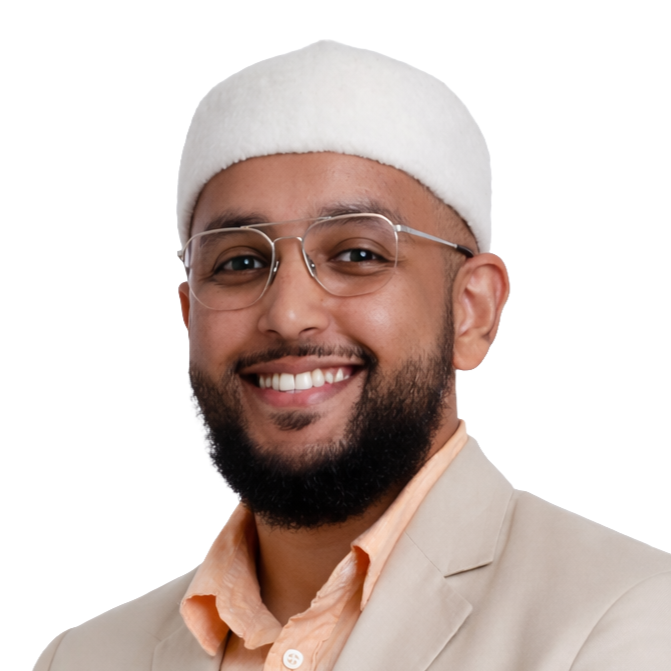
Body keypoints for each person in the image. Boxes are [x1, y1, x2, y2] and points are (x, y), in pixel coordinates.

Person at [34, 40, 671, 671]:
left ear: (471, 310)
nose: (288, 314)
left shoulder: (630, 622)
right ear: (189, 314)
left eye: (358, 254)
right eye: (240, 262)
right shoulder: (81, 659)